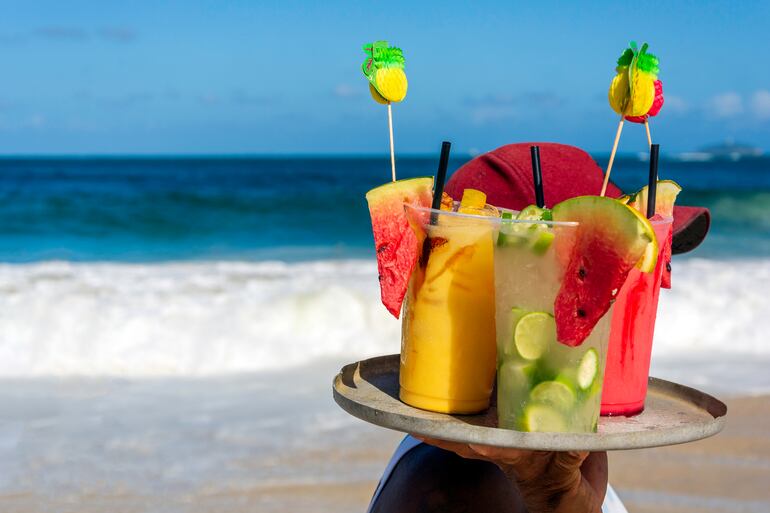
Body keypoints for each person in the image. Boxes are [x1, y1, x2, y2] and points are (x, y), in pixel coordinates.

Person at [367, 143, 710, 513]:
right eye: (613, 279)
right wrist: (552, 497)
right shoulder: (457, 490)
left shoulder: (565, 462)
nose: (645, 288)